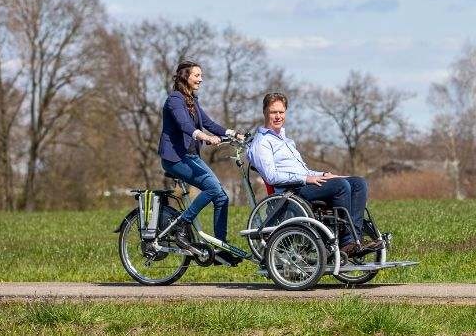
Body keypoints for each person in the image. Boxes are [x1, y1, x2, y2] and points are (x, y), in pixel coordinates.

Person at [248, 92, 380, 255]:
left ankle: (355, 239)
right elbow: (271, 177)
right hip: (290, 192)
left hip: (304, 183)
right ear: (265, 112)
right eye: (273, 112)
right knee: (341, 186)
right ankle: (346, 242)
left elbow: (304, 171)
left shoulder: (285, 141)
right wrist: (306, 178)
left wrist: (324, 174)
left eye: (281, 112)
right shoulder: (262, 143)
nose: (278, 116)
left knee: (358, 183)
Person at [157, 60, 241, 265]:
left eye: (201, 75)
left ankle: (220, 247)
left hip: (191, 157)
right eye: (197, 75)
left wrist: (233, 133)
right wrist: (203, 137)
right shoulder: (174, 100)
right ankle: (181, 225)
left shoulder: (192, 101)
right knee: (213, 188)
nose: (201, 79)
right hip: (175, 158)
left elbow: (209, 123)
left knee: (221, 196)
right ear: (185, 76)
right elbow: (184, 124)